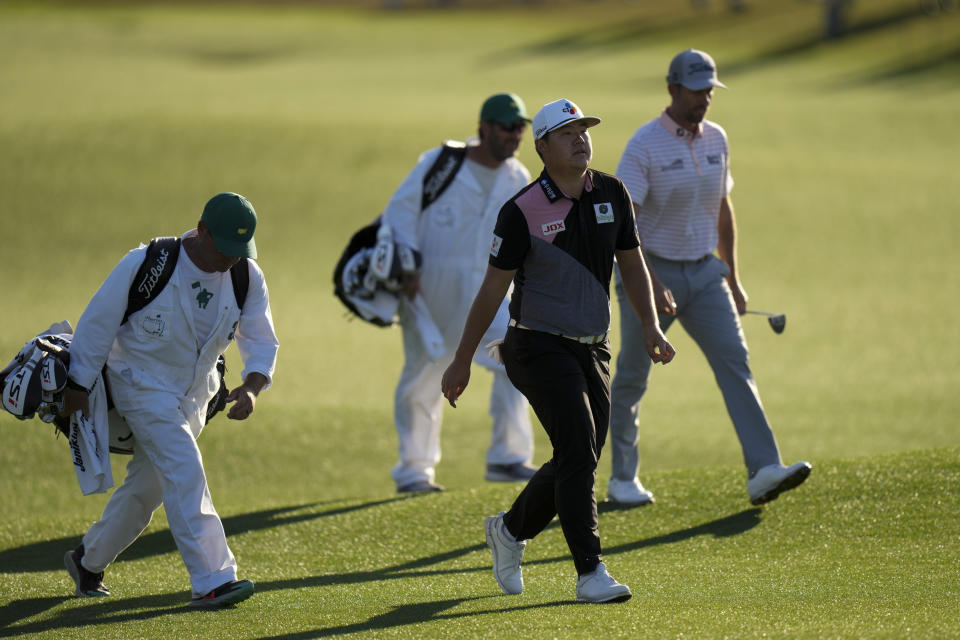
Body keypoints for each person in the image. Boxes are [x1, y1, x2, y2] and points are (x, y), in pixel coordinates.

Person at [441, 99, 675, 603]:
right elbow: (490, 291)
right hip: (535, 346)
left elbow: (632, 265)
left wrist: (652, 326)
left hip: (593, 348)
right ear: (542, 146)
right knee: (577, 447)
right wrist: (462, 359)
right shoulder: (521, 210)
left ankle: (508, 530)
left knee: (580, 452)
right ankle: (590, 573)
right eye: (566, 133)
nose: (580, 139)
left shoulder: (612, 192)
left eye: (584, 130)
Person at [606, 49, 811, 507]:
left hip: (705, 274)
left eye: (709, 92)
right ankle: (622, 479)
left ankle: (763, 470)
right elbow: (625, 225)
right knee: (634, 375)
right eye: (695, 91)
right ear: (672, 89)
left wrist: (733, 277)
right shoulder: (643, 146)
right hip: (650, 273)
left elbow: (723, 208)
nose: (703, 100)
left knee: (736, 364)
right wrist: (651, 282)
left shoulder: (718, 138)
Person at [60, 192, 279, 607]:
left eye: (240, 251)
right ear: (200, 231)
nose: (232, 259)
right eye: (225, 249)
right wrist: (77, 385)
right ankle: (213, 579)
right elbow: (97, 323)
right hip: (138, 383)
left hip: (196, 395)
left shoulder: (246, 276)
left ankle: (87, 560)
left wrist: (251, 387)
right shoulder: (147, 263)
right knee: (184, 466)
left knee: (149, 487)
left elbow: (261, 339)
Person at [380, 93, 537, 493]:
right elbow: (400, 212)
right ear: (484, 126)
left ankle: (509, 456)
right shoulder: (441, 163)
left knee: (516, 356)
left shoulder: (518, 177)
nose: (514, 134)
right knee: (425, 373)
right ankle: (415, 471)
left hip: (490, 289)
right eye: (507, 126)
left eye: (520, 127)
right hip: (429, 286)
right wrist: (407, 264)